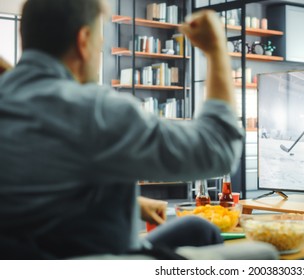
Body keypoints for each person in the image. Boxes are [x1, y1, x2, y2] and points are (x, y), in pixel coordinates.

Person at [0, 0, 245, 259]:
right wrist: (217, 51)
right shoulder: (94, 110)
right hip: (101, 260)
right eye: (100, 41)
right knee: (261, 254)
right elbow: (217, 148)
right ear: (83, 41)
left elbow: (36, 181)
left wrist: (133, 204)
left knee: (198, 228)